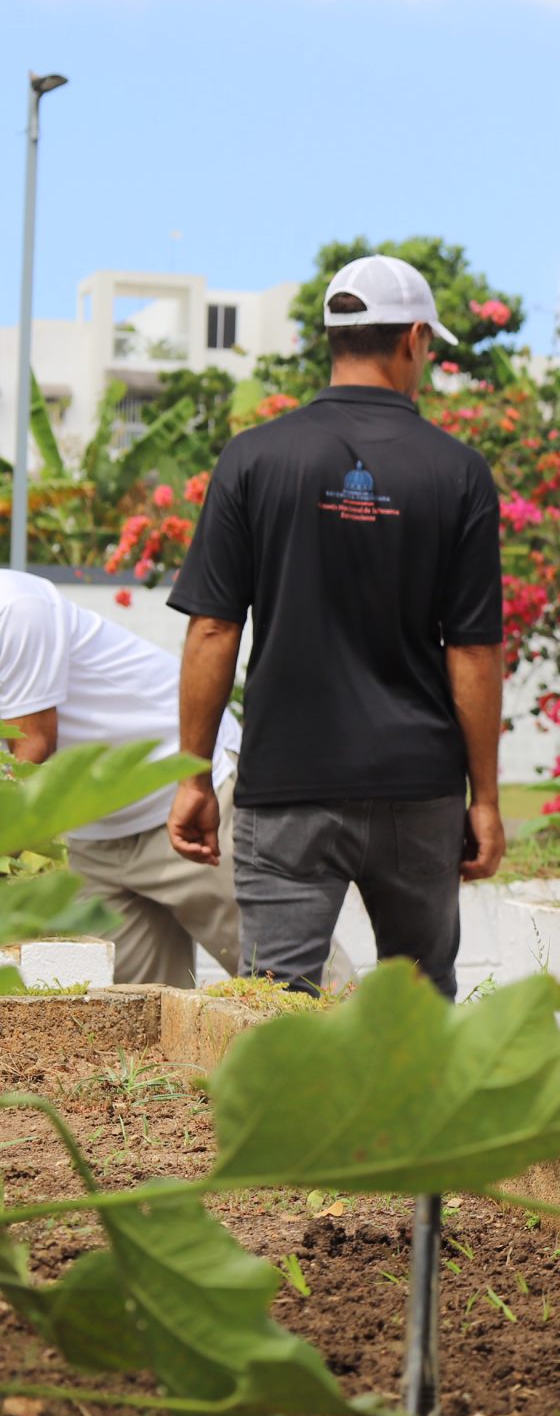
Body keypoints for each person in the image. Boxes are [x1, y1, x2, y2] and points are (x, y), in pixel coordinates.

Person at [168, 254, 508, 997]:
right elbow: (475, 652)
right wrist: (483, 799)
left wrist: (193, 776)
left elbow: (213, 631)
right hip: (418, 785)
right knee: (418, 1009)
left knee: (275, 1009)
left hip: (287, 782)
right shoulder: (458, 472)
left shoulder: (253, 458)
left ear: (333, 337)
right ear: (414, 338)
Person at [0, 573, 246, 985]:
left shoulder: (16, 607)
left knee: (288, 975)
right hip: (95, 833)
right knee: (132, 1012)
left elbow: (32, 756)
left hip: (191, 795)